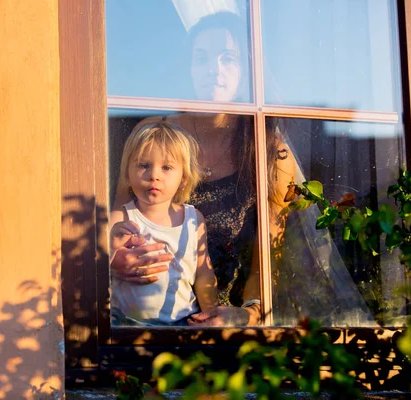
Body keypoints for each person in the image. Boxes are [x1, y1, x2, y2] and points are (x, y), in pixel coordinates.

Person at [110, 11, 293, 327]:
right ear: (189, 69)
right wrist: (113, 261)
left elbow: (268, 260)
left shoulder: (269, 150)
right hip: (143, 323)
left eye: (228, 59)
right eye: (202, 59)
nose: (214, 71)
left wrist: (247, 314)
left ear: (247, 71)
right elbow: (117, 220)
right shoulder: (155, 136)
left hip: (227, 328)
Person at [109, 121, 219, 326]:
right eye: (143, 165)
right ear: (127, 173)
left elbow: (203, 272)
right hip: (128, 325)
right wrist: (112, 247)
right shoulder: (120, 218)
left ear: (184, 178)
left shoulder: (194, 219)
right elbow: (96, 267)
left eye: (167, 167)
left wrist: (211, 314)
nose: (154, 176)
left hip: (183, 321)